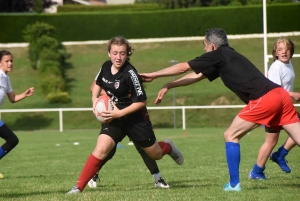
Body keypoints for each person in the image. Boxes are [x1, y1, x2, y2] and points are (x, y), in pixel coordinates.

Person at [139, 28, 300, 192]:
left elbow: (183, 67)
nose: (204, 49)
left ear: (212, 46)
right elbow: (196, 75)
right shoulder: (227, 56)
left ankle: (234, 184)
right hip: (282, 96)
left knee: (230, 135)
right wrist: (169, 85)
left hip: (265, 98)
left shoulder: (218, 54)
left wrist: (154, 75)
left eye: (204, 45)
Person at [67, 36, 183, 194]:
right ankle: (77, 188)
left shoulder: (130, 73)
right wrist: (95, 101)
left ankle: (167, 146)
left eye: (122, 53)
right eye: (115, 53)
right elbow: (97, 85)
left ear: (127, 54)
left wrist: (119, 112)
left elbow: (142, 101)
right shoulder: (106, 66)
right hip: (115, 119)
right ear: (109, 53)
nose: (118, 57)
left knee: (155, 154)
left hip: (136, 119)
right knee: (101, 148)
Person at [87, 79, 170, 189]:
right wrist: (110, 95)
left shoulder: (130, 72)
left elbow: (140, 97)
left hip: (132, 117)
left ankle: (158, 178)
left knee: (143, 148)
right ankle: (93, 174)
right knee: (108, 151)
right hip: (115, 117)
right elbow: (93, 87)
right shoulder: (107, 70)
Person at [248, 37, 299, 179]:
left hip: (284, 108)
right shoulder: (277, 66)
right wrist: (292, 94)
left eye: (287, 49)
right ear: (275, 52)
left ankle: (258, 170)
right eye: (280, 50)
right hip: (276, 108)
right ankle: (277, 156)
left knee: (271, 141)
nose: (284, 52)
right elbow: (274, 91)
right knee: (271, 141)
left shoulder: (288, 64)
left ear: (291, 50)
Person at [0, 50, 34, 176]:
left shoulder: (6, 79)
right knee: (12, 139)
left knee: (12, 140)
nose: (10, 63)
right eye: (6, 61)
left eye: (11, 61)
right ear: (0, 63)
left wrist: (25, 94)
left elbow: (12, 99)